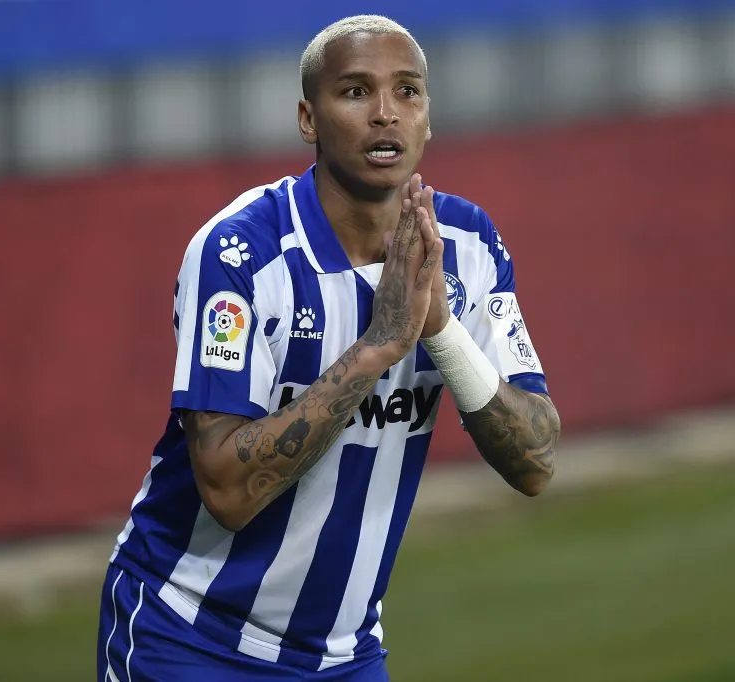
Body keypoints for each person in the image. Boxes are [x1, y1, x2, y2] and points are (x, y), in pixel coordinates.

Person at [98, 14, 561, 682]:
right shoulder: (240, 254)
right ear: (308, 120)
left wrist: (440, 331)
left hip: (344, 659)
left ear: (428, 117)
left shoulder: (467, 246)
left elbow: (537, 462)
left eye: (407, 92)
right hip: (190, 640)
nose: (384, 115)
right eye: (355, 92)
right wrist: (377, 348)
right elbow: (227, 490)